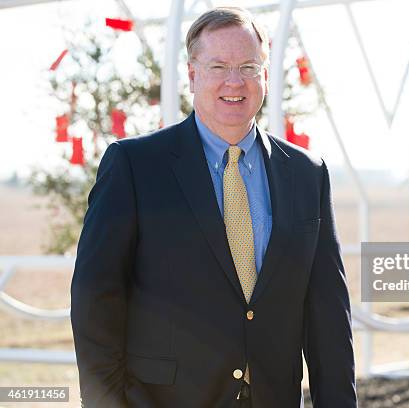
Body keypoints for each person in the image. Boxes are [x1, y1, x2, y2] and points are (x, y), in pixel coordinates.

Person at [70, 6, 357, 408]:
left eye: (249, 67)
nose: (235, 81)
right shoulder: (135, 166)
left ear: (266, 75)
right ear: (192, 75)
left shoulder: (307, 174)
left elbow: (328, 314)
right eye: (218, 66)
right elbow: (95, 299)